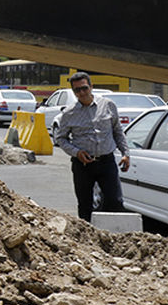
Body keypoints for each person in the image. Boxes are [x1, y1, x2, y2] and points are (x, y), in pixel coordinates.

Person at [54, 71, 130, 222]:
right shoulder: (69, 113)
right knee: (85, 206)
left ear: (91, 87)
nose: (81, 93)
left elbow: (117, 131)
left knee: (115, 202)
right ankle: (88, 242)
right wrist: (76, 152)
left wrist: (125, 153)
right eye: (77, 90)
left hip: (106, 161)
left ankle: (112, 238)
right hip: (83, 165)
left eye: (84, 88)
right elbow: (61, 138)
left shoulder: (108, 105)